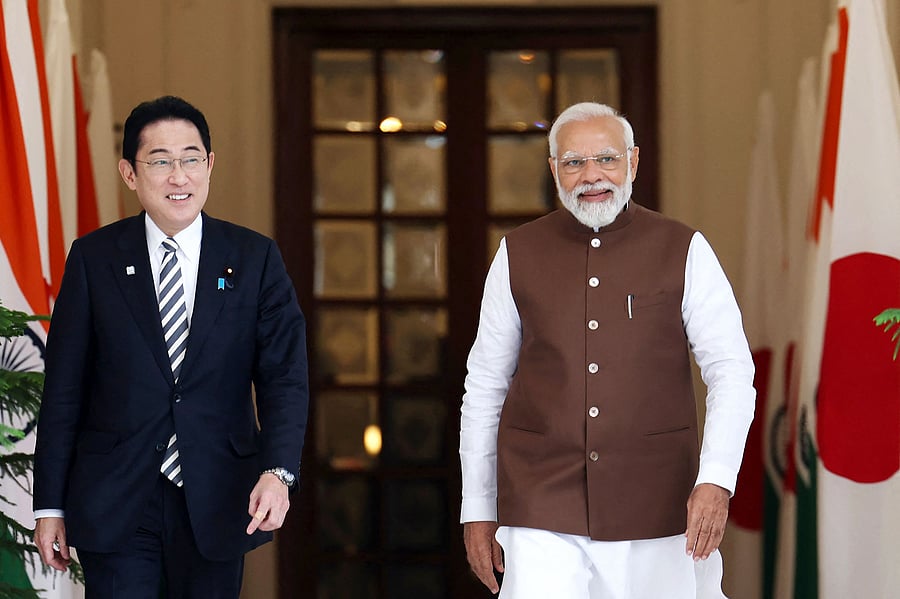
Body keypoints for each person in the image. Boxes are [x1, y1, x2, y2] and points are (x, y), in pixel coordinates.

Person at [459, 102, 756, 598]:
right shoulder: (518, 252)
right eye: (574, 162)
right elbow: (485, 386)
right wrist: (478, 507)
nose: (591, 176)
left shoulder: (683, 248)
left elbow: (731, 372)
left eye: (607, 159)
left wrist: (717, 479)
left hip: (659, 499)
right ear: (554, 170)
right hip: (540, 503)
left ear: (633, 163)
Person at [32, 95, 309, 599]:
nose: (178, 176)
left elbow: (284, 378)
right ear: (130, 173)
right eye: (160, 161)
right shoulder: (95, 259)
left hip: (220, 494)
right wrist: (49, 505)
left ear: (210, 165)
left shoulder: (254, 258)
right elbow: (65, 388)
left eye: (191, 158)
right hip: (117, 497)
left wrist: (279, 471)